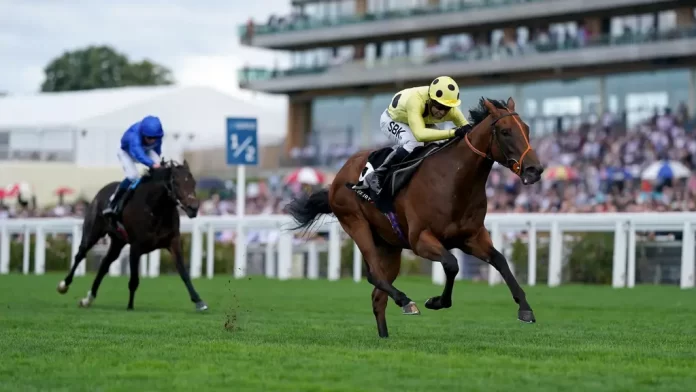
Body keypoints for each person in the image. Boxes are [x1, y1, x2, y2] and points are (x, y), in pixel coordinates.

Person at [363, 76, 472, 195]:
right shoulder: (415, 100)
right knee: (414, 142)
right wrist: (453, 132)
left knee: (442, 143)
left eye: (447, 108)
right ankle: (377, 174)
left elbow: (469, 131)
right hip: (392, 119)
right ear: (431, 99)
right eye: (439, 107)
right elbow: (420, 135)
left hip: (419, 120)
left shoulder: (453, 111)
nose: (442, 112)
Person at [102, 115, 164, 218]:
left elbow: (157, 150)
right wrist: (152, 164)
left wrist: (157, 164)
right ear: (143, 134)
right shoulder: (134, 136)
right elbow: (138, 154)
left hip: (144, 150)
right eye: (149, 137)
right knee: (133, 176)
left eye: (155, 137)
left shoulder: (157, 136)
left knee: (161, 166)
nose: (153, 140)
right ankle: (113, 202)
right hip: (126, 152)